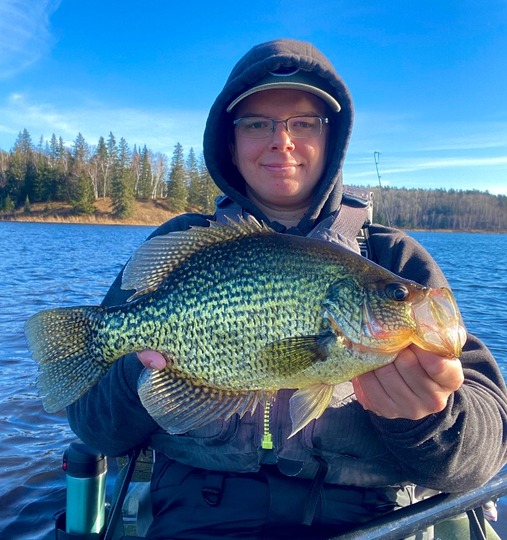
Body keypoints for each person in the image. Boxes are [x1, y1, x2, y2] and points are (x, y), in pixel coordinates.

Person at [67, 39, 507, 539]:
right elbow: (94, 426)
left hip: (371, 516)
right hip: (201, 510)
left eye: (303, 123)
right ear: (229, 141)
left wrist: (427, 421)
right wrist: (138, 371)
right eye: (257, 123)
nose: (282, 141)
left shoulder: (391, 260)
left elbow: (482, 457)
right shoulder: (182, 245)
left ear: (332, 137)